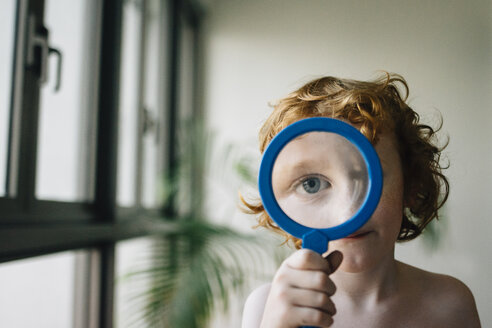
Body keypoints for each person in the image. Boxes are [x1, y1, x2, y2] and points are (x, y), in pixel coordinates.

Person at [240, 73, 481, 327]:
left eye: (367, 176)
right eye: (312, 184)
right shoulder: (265, 308)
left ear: (411, 184)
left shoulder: (450, 304)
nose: (347, 208)